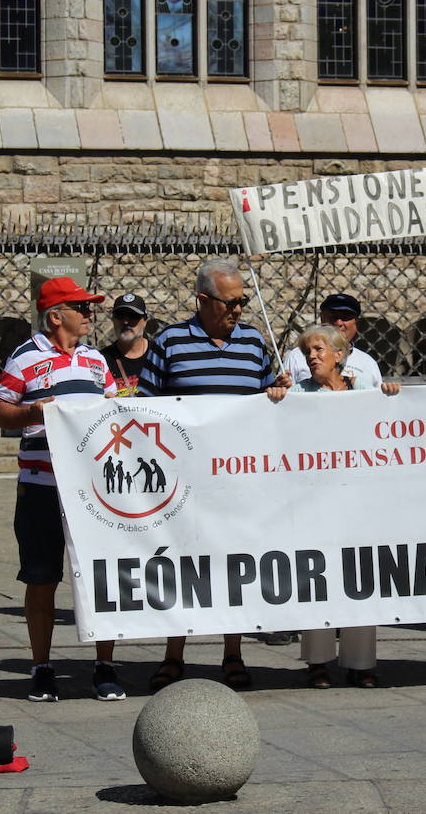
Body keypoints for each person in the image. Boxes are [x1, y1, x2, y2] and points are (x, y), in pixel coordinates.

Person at [138, 258, 275, 692]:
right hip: (185, 482)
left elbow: (270, 401)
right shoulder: (170, 342)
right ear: (202, 300)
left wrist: (279, 393)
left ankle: (232, 651)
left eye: (242, 302)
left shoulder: (254, 343)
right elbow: (145, 407)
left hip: (237, 480)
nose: (238, 311)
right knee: (180, 565)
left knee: (234, 565)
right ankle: (173, 653)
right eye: (230, 303)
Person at [0, 276, 125, 702]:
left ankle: (104, 666)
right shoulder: (24, 358)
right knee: (42, 579)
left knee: (101, 579)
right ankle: (42, 667)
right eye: (81, 307)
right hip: (41, 485)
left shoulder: (95, 361)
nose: (89, 314)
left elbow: (114, 410)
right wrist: (32, 410)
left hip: (91, 488)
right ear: (55, 317)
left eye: (89, 307)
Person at [267, 325, 399, 687]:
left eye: (319, 349)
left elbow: (385, 425)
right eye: (308, 351)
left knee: (361, 577)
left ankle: (361, 662)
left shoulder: (363, 391)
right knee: (318, 575)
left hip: (358, 499)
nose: (312, 356)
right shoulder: (298, 392)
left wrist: (390, 396)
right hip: (315, 498)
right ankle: (318, 660)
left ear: (339, 355)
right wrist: (277, 395)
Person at [280, 293, 383, 388]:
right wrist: (280, 387)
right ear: (322, 319)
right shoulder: (297, 356)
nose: (338, 323)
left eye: (345, 317)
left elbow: (378, 401)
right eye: (332, 316)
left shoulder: (368, 363)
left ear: (357, 323)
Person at [100, 292, 149, 396]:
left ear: (145, 321)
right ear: (113, 320)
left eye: (133, 316)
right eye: (120, 316)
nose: (126, 322)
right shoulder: (101, 359)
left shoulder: (158, 355)